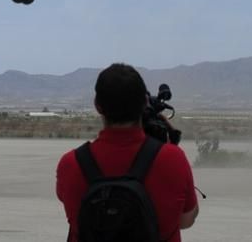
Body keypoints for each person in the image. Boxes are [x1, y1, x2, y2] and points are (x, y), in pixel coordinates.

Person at [56, 63, 199, 241]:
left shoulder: (71, 163)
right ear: (144, 104)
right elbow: (186, 219)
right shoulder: (173, 159)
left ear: (97, 106)